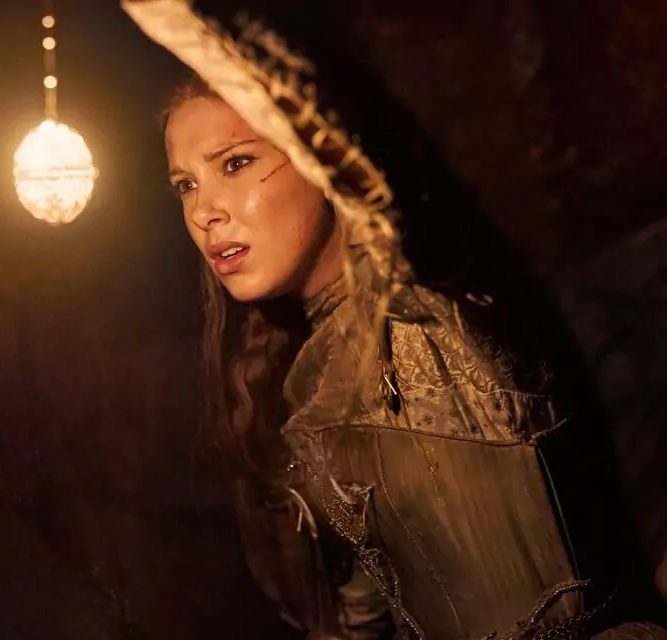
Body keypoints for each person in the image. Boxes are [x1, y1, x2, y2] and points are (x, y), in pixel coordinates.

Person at [162, 74, 667, 639]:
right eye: (185, 185)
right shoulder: (307, 369)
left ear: (320, 155)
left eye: (235, 163)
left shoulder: (425, 308)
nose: (204, 211)